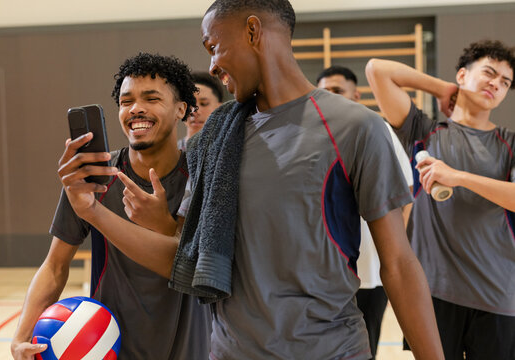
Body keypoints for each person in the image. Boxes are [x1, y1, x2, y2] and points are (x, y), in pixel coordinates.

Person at [55, 1, 444, 359]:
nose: (210, 66)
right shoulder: (216, 137)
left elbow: (399, 264)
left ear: (253, 32)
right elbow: (188, 260)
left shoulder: (356, 127)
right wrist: (100, 214)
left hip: (330, 351)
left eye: (213, 47)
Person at [10, 53, 212, 360]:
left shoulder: (201, 176)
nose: (136, 109)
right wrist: (21, 337)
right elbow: (55, 266)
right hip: (110, 348)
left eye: (151, 98)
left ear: (181, 109)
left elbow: (188, 262)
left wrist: (97, 212)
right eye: (126, 100)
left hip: (189, 349)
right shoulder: (91, 177)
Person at [366, 40, 515, 359]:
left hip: (499, 296)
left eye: (505, 82)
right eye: (489, 73)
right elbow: (377, 70)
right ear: (462, 75)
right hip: (432, 295)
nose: (496, 84)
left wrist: (458, 177)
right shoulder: (423, 129)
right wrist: (442, 88)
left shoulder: (509, 143)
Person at [317, 65, 413, 359]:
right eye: (324, 91)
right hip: (323, 270)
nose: (330, 97)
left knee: (365, 346)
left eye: (337, 91)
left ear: (356, 95)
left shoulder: (376, 128)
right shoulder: (312, 135)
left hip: (371, 270)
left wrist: (391, 253)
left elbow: (404, 195)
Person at [177, 71, 224, 151]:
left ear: (219, 108)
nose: (194, 111)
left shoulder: (226, 151)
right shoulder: (170, 154)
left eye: (204, 104)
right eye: (189, 104)